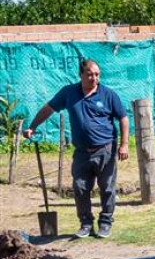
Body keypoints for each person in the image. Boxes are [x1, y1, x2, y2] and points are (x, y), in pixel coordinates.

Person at [23, 58, 129, 239]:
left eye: (97, 74)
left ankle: (105, 223)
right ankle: (86, 223)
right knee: (80, 189)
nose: (94, 78)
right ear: (80, 75)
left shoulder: (108, 95)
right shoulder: (69, 93)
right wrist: (33, 126)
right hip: (82, 153)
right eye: (89, 74)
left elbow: (123, 118)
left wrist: (124, 144)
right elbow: (48, 109)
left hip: (105, 150)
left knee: (108, 189)